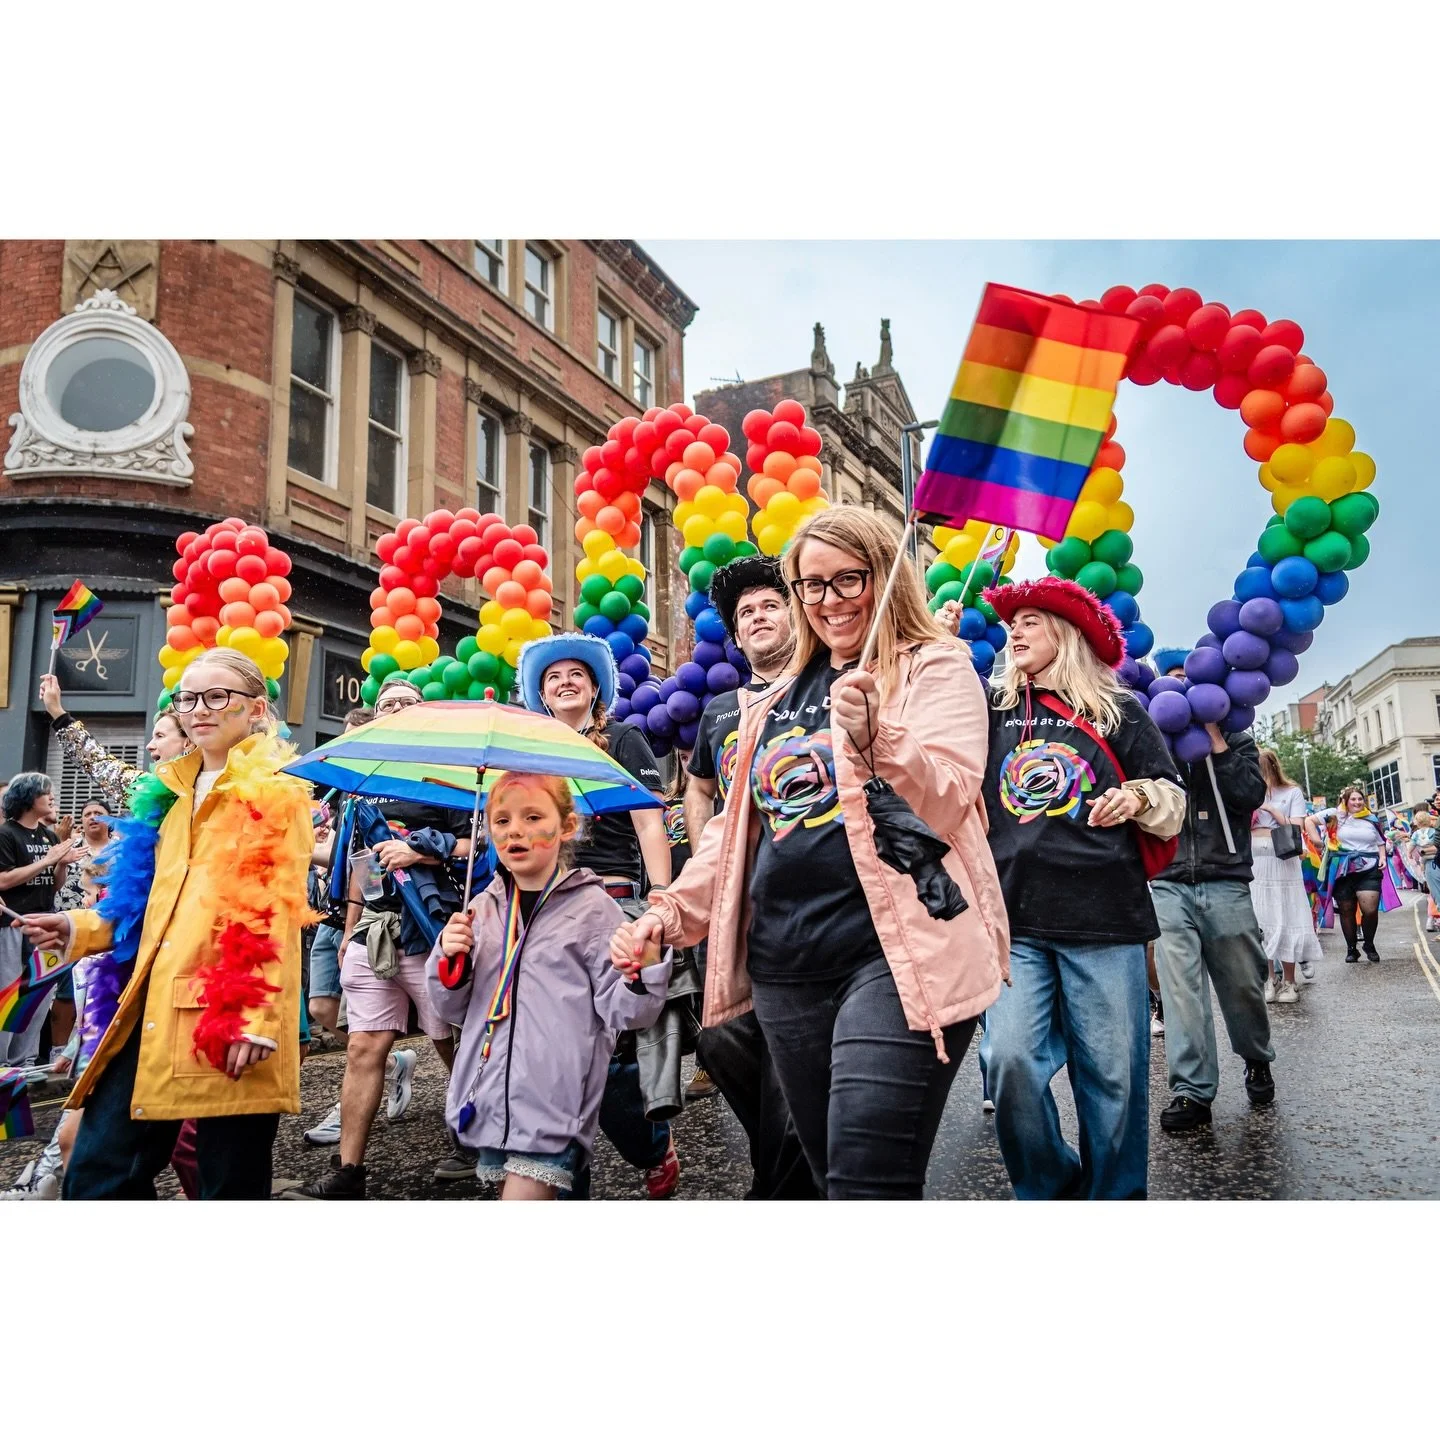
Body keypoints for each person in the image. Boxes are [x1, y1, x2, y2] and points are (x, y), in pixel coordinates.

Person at [613, 507, 1008, 1199]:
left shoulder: (933, 666)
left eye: (847, 579)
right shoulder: (772, 702)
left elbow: (948, 800)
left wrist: (879, 736)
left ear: (883, 575)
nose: (829, 601)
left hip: (894, 956)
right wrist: (668, 915)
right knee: (828, 1176)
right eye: (811, 586)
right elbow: (734, 834)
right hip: (786, 967)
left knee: (865, 1178)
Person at [17, 648, 314, 1199]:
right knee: (101, 1173)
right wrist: (79, 928)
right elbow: (149, 900)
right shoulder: (171, 791)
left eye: (218, 695)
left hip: (226, 1015)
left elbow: (270, 910)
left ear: (256, 709)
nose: (199, 709)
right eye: (189, 698)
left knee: (228, 1185)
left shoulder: (275, 790)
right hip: (150, 1003)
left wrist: (253, 1014)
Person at [977, 578, 1185, 1200]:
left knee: (1114, 1080)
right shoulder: (987, 712)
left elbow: (1171, 797)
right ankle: (1048, 1191)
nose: (1014, 631)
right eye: (1011, 623)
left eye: (1031, 621)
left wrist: (1137, 796)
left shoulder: (1118, 711)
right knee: (1007, 1064)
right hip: (1014, 921)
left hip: (1105, 919)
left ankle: (1115, 1202)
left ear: (1065, 635)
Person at [425, 772, 673, 1198]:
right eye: (501, 821)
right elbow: (450, 1009)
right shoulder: (481, 909)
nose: (514, 831)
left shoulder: (594, 909)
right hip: (489, 1099)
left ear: (567, 827)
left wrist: (640, 970)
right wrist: (450, 960)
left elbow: (627, 1013)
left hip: (557, 1103)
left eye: (533, 816)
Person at [288, 675, 465, 1199]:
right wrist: (349, 930)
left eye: (408, 704)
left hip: (429, 928)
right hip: (374, 930)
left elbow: (477, 841)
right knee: (364, 1047)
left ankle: (470, 1136)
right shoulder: (362, 781)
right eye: (388, 704)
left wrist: (421, 851)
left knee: (450, 1040)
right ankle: (349, 1171)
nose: (396, 710)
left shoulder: (447, 775)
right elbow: (359, 867)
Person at [518, 633, 680, 1199]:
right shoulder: (529, 751)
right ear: (541, 692)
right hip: (538, 906)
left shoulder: (623, 739)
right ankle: (563, 1187)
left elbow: (648, 821)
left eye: (576, 675)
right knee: (551, 1049)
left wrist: (660, 895)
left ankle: (649, 1142)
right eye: (553, 676)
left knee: (599, 1047)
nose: (564, 682)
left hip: (606, 899)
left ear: (594, 689)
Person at [682, 554, 815, 1197]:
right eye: (745, 615)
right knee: (724, 1040)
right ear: (735, 638)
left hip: (808, 896)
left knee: (792, 1038)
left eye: (769, 605)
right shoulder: (718, 712)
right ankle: (789, 1171)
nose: (758, 618)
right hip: (736, 898)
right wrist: (708, 849)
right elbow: (699, 787)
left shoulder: (823, 685)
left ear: (794, 614)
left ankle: (778, 1187)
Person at [1151, 721, 1276, 1134]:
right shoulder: (1152, 741)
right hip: (1167, 883)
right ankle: (1193, 1090)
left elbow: (1249, 795)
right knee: (1180, 990)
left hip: (1225, 878)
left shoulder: (1237, 740)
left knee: (1243, 983)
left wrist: (1216, 743)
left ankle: (1256, 1057)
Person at [0, 773, 79, 1067]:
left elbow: (54, 885)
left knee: (37, 994)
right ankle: (3, 1062)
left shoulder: (48, 836)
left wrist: (60, 863)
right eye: (46, 792)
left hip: (44, 923)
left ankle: (26, 1060)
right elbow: (4, 880)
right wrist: (46, 860)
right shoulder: (7, 834)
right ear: (28, 797)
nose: (52, 797)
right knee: (9, 990)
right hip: (12, 924)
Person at [306, 706, 373, 1042]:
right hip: (332, 912)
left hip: (364, 914)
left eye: (354, 737)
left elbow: (356, 858)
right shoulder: (346, 790)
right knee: (320, 1007)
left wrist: (300, 849)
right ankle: (392, 1066)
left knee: (364, 1018)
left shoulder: (379, 790)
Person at [1251, 748, 1322, 1001]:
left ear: (1270, 765)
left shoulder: (1292, 792)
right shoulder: (1248, 790)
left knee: (1286, 916)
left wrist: (1271, 809)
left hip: (1282, 859)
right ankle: (1271, 978)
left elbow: (1296, 826)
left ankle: (1290, 981)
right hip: (1255, 860)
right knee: (1262, 920)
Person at [1316, 784, 1393, 963]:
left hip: (1369, 868)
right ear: (1346, 801)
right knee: (1346, 909)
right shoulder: (1335, 816)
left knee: (1370, 909)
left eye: (1360, 799)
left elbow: (1381, 840)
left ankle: (1369, 943)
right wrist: (1316, 841)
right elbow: (1309, 821)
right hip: (1343, 868)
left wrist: (1382, 857)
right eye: (1353, 799)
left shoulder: (1371, 819)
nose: (1357, 802)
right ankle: (1351, 949)